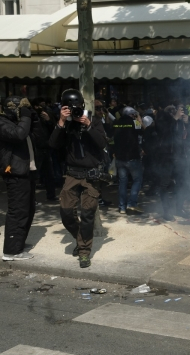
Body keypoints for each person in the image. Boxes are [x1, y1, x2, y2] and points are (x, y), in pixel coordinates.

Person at [49, 89, 108, 268]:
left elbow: (103, 143)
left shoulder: (94, 120)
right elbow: (52, 145)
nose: (74, 110)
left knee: (88, 214)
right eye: (69, 107)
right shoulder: (65, 125)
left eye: (76, 107)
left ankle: (84, 252)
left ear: (82, 105)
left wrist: (88, 125)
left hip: (91, 175)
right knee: (66, 212)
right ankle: (80, 239)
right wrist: (60, 122)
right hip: (72, 174)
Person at [0, 97, 41, 261]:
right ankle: (11, 251)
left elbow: (40, 137)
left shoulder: (21, 122)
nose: (20, 111)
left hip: (27, 171)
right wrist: (25, 117)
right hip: (15, 173)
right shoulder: (2, 122)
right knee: (18, 211)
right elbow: (18, 135)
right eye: (17, 108)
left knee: (28, 209)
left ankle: (18, 243)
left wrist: (35, 117)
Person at [155, 105, 190, 221]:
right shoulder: (162, 120)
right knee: (164, 185)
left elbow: (187, 137)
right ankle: (166, 211)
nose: (176, 112)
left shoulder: (179, 122)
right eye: (173, 111)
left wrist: (187, 123)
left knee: (182, 183)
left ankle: (179, 208)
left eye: (177, 110)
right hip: (166, 158)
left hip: (180, 157)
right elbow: (164, 133)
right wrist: (174, 118)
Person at [113, 106, 145, 215]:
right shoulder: (134, 123)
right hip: (132, 157)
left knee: (122, 182)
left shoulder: (116, 122)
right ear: (132, 114)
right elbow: (142, 131)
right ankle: (132, 204)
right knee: (137, 180)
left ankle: (122, 207)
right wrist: (138, 118)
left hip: (119, 157)